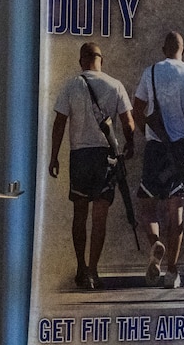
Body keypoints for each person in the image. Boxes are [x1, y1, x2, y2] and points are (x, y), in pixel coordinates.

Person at [48, 42, 135, 291]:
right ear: (101, 59)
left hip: (80, 157)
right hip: (106, 157)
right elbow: (128, 123)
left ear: (81, 60)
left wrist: (54, 156)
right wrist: (129, 144)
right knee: (99, 218)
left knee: (79, 215)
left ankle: (81, 268)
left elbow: (59, 123)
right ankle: (94, 270)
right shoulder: (115, 84)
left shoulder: (71, 84)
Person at [134, 31, 184, 290]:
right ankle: (172, 272)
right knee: (175, 212)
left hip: (156, 148)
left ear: (164, 48)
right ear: (182, 49)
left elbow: (138, 109)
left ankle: (155, 244)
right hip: (180, 149)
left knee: (147, 205)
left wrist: (146, 133)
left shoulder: (150, 72)